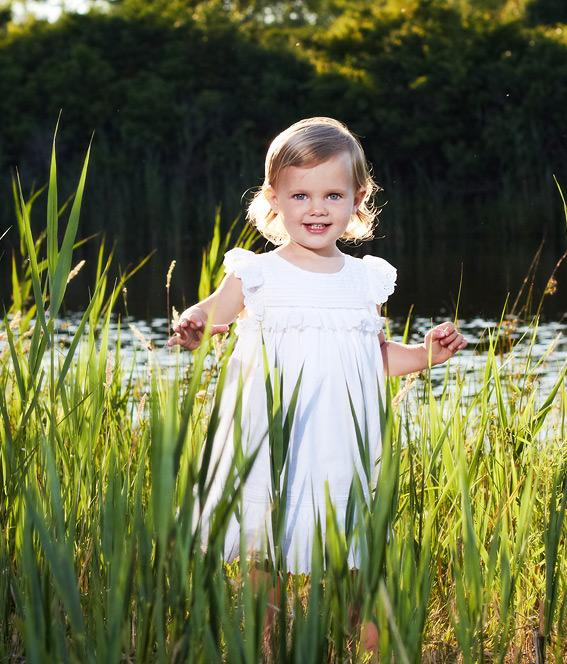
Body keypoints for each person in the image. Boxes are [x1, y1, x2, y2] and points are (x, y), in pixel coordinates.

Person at [167, 117, 466, 575]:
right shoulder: (257, 273)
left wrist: (427, 355)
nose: (317, 209)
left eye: (333, 195)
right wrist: (192, 326)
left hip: (339, 437)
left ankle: (364, 645)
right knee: (262, 548)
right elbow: (211, 315)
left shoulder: (366, 279)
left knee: (355, 556)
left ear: (358, 198)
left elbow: (375, 357)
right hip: (267, 431)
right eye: (300, 195)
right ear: (274, 199)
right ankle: (269, 646)